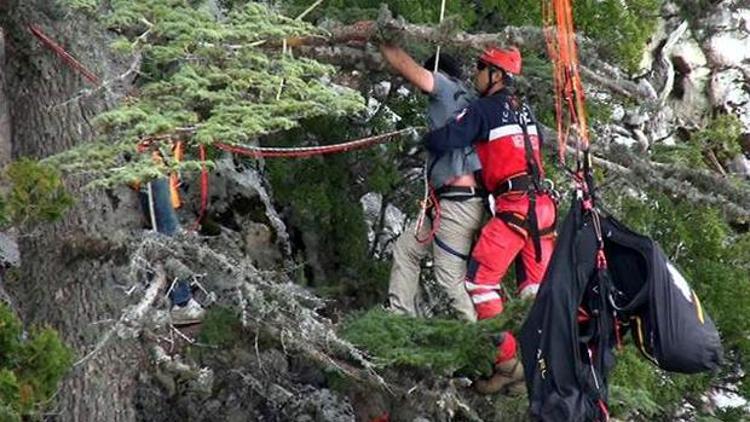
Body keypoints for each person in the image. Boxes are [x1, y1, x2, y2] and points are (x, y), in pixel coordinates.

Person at [424, 46, 558, 394]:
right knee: (533, 294)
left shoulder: (484, 109)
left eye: (481, 68)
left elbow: (451, 137)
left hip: (514, 208)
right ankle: (539, 367)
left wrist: (423, 139)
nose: (476, 74)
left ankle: (507, 361)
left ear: (495, 75)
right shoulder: (525, 110)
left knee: (480, 285)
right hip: (543, 209)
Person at [379, 41, 485, 322]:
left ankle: (483, 348)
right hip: (450, 200)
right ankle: (399, 319)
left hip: (457, 203)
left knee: (449, 279)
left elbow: (410, 70)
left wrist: (384, 42)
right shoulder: (469, 99)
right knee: (407, 249)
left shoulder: (445, 88)